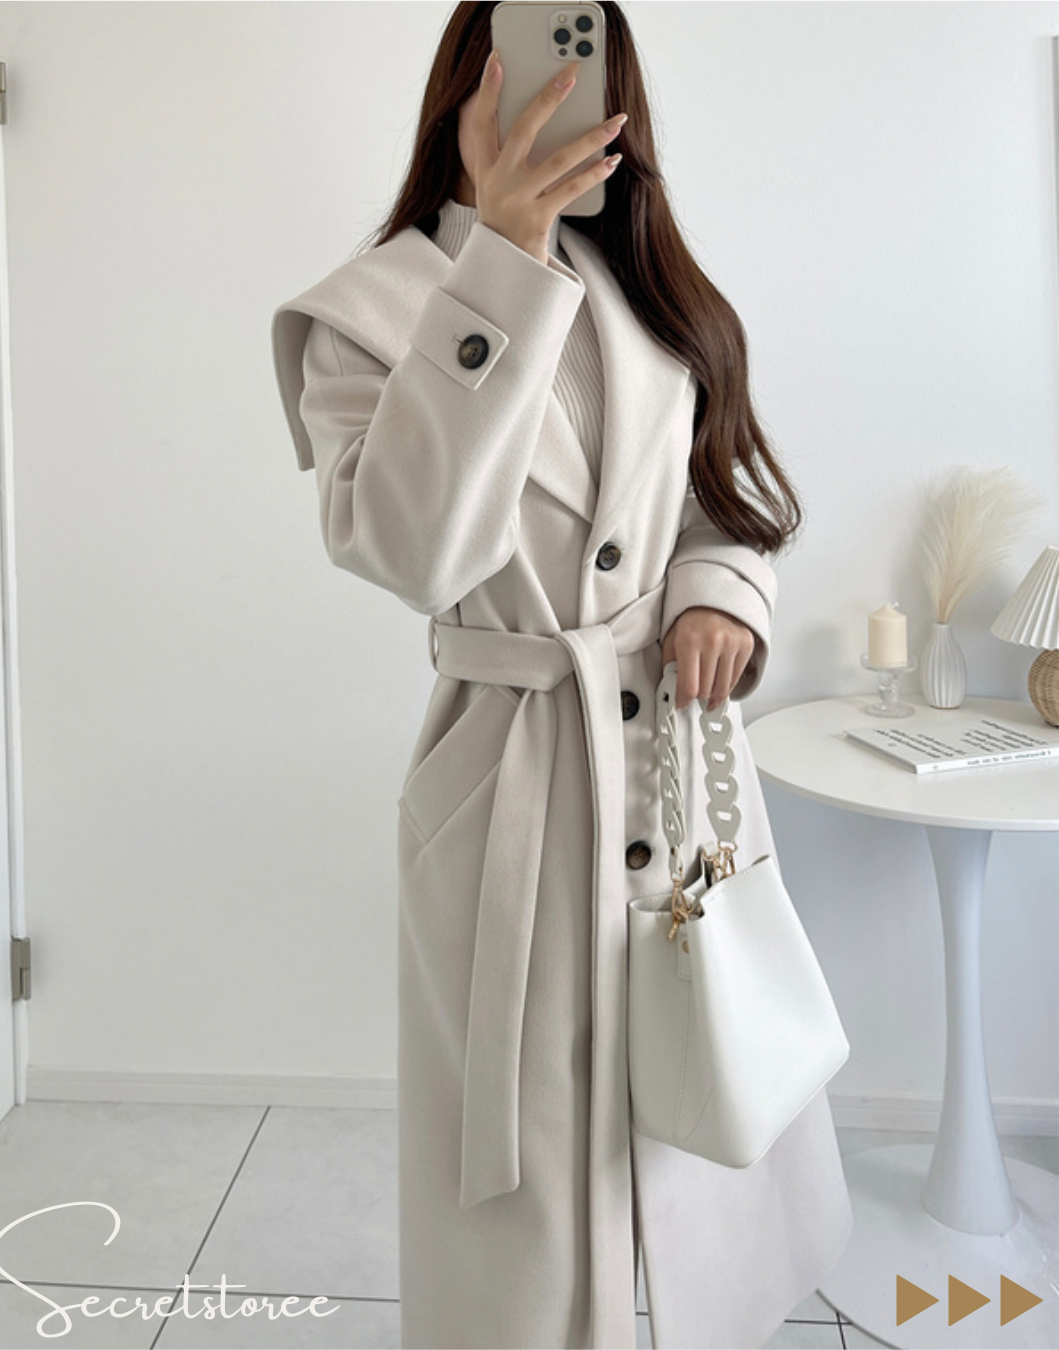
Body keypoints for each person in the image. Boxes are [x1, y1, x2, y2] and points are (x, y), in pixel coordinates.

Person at [271, 4, 852, 1347]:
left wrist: (720, 595)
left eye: (588, 66)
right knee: (528, 1177)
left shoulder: (647, 289)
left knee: (698, 1092)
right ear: (471, 90)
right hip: (510, 781)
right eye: (533, 63)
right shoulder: (362, 315)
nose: (561, 92)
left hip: (674, 764)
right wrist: (503, 263)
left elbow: (722, 502)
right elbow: (414, 548)